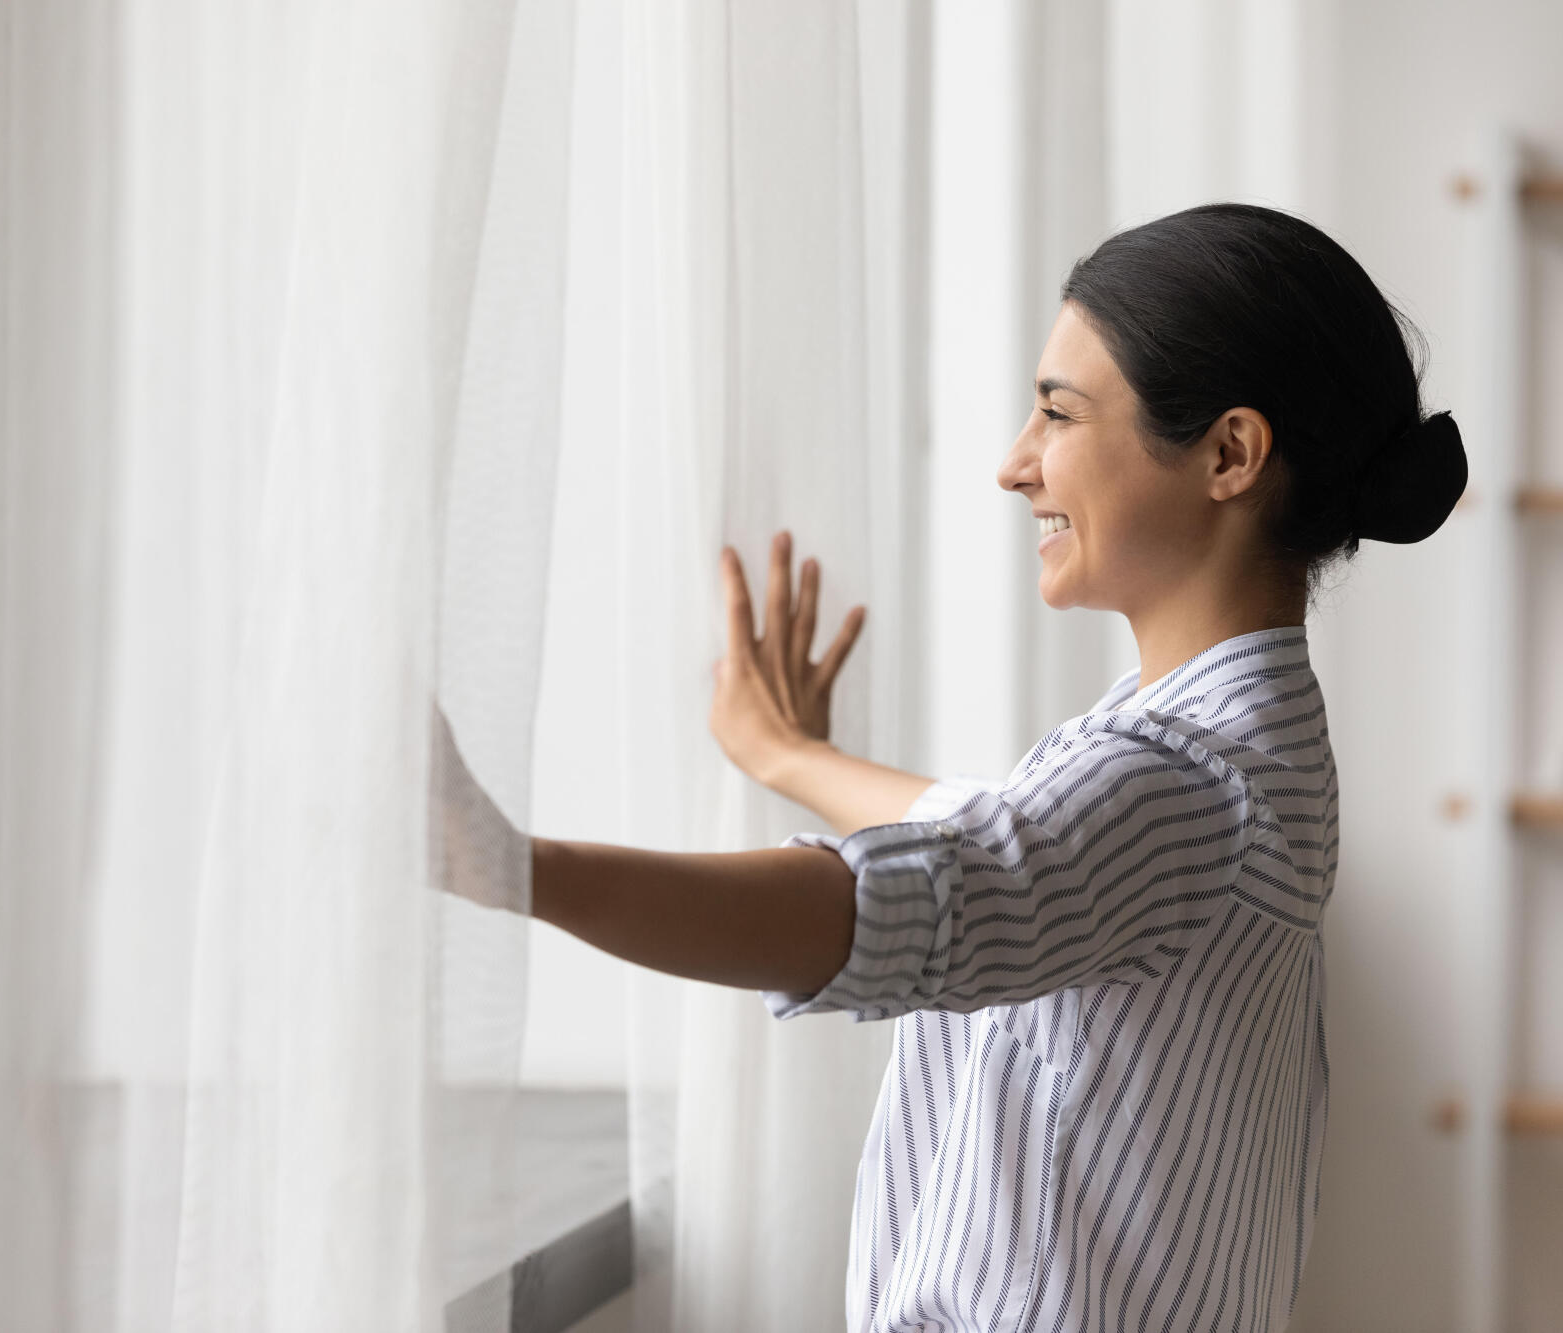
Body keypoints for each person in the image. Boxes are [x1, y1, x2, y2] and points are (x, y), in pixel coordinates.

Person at [432, 201, 1467, 1332]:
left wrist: (511, 866)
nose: (1013, 466)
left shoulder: (1177, 788)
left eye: (1056, 414)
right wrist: (794, 754)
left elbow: (922, 895)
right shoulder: (1238, 760)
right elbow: (1003, 843)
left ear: (1228, 453)